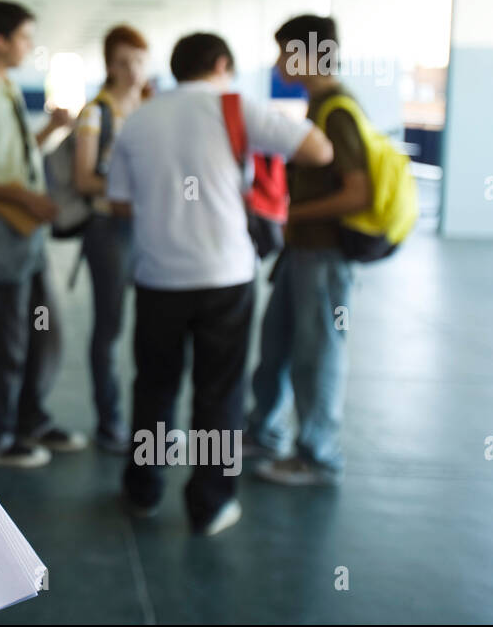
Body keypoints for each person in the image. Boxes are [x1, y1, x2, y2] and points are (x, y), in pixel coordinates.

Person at [107, 33, 333, 535]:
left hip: (158, 275)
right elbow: (320, 150)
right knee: (219, 394)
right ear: (221, 64)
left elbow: (119, 201)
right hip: (225, 276)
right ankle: (210, 504)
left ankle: (143, 490)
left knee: (155, 386)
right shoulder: (236, 106)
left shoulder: (139, 119)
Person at [0, 0, 87, 468]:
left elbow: (15, 156)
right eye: (24, 37)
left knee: (42, 333)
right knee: (4, 340)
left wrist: (52, 129)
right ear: (0, 41)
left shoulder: (3, 90)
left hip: (25, 236)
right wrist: (25, 199)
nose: (30, 45)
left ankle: (30, 419)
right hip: (0, 238)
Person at [246, 15, 369, 487]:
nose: (279, 62)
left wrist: (290, 214)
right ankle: (262, 432)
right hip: (300, 253)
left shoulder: (337, 112)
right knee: (276, 345)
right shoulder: (317, 106)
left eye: (284, 52)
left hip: (324, 254)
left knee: (316, 354)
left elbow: (357, 193)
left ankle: (318, 456)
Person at [72, 24, 151, 453]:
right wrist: (130, 190)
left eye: (139, 60)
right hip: (109, 230)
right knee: (111, 325)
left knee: (155, 325)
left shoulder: (153, 108)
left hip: (151, 229)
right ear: (110, 66)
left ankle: (148, 423)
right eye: (123, 62)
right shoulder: (96, 112)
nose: (133, 70)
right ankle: (111, 422)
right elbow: (84, 179)